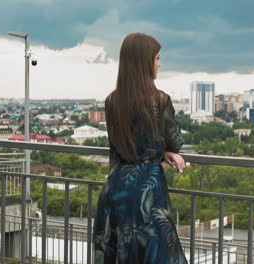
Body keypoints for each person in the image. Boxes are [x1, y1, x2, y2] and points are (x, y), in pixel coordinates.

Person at [93, 33, 188, 264]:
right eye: (157, 58)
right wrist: (166, 151)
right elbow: (175, 142)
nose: (160, 63)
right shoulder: (160, 100)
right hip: (148, 193)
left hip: (116, 190)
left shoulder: (112, 101)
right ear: (145, 62)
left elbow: (118, 146)